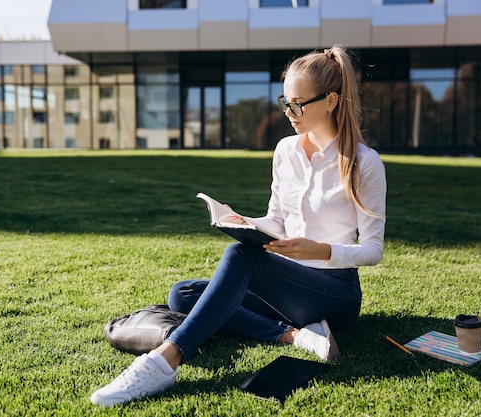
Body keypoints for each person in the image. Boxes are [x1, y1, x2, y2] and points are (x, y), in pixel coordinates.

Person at [90, 45, 387, 408]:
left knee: (240, 259)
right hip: (286, 285)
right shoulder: (285, 151)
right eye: (285, 102)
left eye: (299, 104)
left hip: (334, 291)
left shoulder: (364, 163)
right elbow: (276, 219)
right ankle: (295, 337)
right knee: (182, 294)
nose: (289, 113)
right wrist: (244, 222)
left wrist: (319, 250)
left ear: (331, 101)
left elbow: (373, 251)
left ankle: (163, 362)